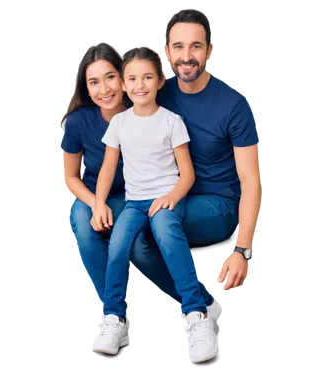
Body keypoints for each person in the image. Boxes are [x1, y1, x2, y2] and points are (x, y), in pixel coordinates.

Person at [129, 6, 262, 328]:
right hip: (168, 194)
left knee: (152, 222)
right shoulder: (157, 93)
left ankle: (196, 313)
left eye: (195, 46)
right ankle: (203, 303)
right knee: (126, 233)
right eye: (178, 46)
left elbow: (251, 179)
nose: (186, 56)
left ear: (210, 51)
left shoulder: (234, 105)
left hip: (217, 205)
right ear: (166, 52)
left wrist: (242, 250)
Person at [89, 45, 220, 364]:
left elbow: (187, 174)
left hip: (168, 199)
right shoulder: (119, 123)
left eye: (147, 77)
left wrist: (172, 197)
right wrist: (98, 205)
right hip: (134, 203)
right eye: (131, 78)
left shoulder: (171, 121)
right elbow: (108, 169)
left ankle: (196, 314)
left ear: (161, 80)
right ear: (122, 83)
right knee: (118, 245)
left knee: (167, 236)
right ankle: (114, 319)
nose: (139, 85)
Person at [59, 41, 130, 307]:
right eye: (94, 82)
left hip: (135, 196)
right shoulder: (78, 122)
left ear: (123, 76)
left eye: (110, 77)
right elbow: (71, 177)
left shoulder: (145, 111)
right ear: (86, 88)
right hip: (93, 194)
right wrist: (96, 203)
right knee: (78, 217)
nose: (105, 89)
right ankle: (113, 312)